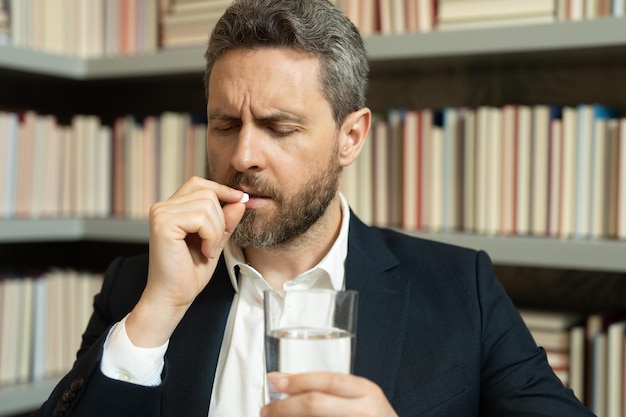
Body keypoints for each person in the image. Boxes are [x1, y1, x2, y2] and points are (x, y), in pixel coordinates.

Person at [33, 0, 596, 416]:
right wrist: (158, 309)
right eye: (225, 125)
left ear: (351, 137)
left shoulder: (459, 288)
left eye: (280, 127)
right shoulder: (138, 287)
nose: (243, 155)